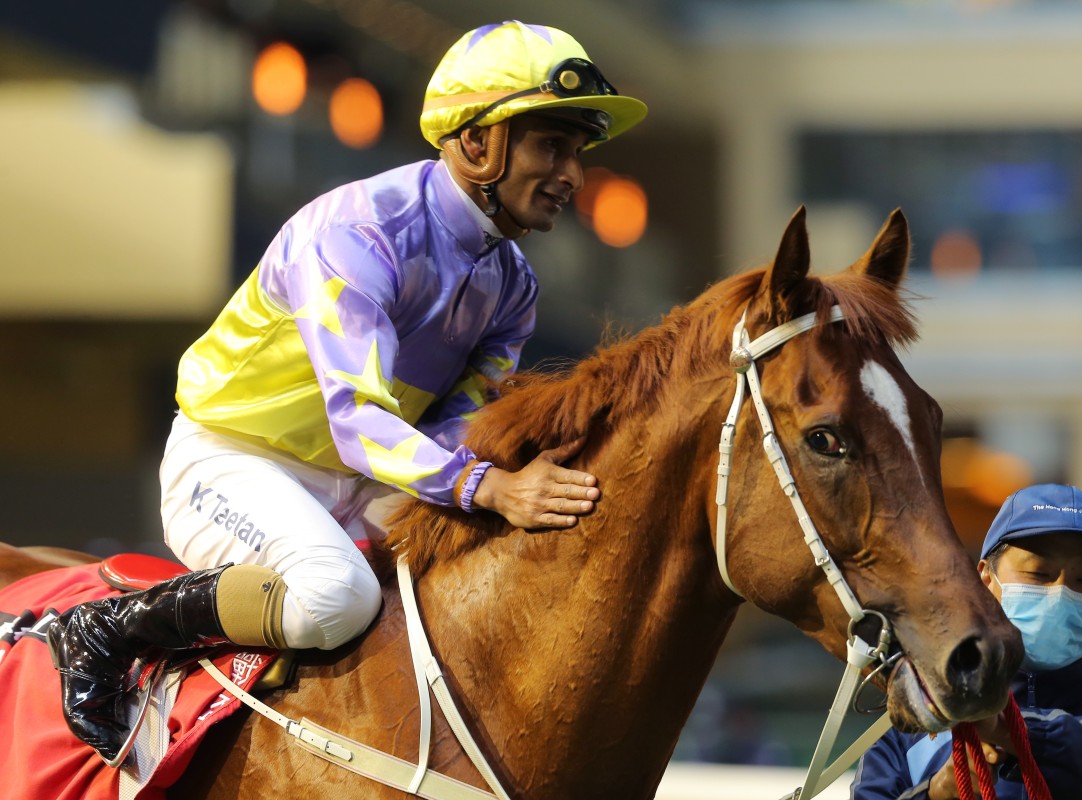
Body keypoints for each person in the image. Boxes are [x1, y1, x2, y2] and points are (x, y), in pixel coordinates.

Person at [46, 20, 648, 763]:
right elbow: (361, 420)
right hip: (233, 461)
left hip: (359, 479)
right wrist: (491, 488)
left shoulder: (513, 286)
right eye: (552, 146)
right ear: (478, 142)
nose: (572, 176)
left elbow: (456, 428)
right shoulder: (361, 230)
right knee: (339, 596)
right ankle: (109, 628)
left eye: (577, 154)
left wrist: (516, 484)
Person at [851, 483, 1082, 799]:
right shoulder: (905, 735)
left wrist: (1014, 730)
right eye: (1038, 574)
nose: (1061, 593)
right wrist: (936, 794)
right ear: (986, 582)